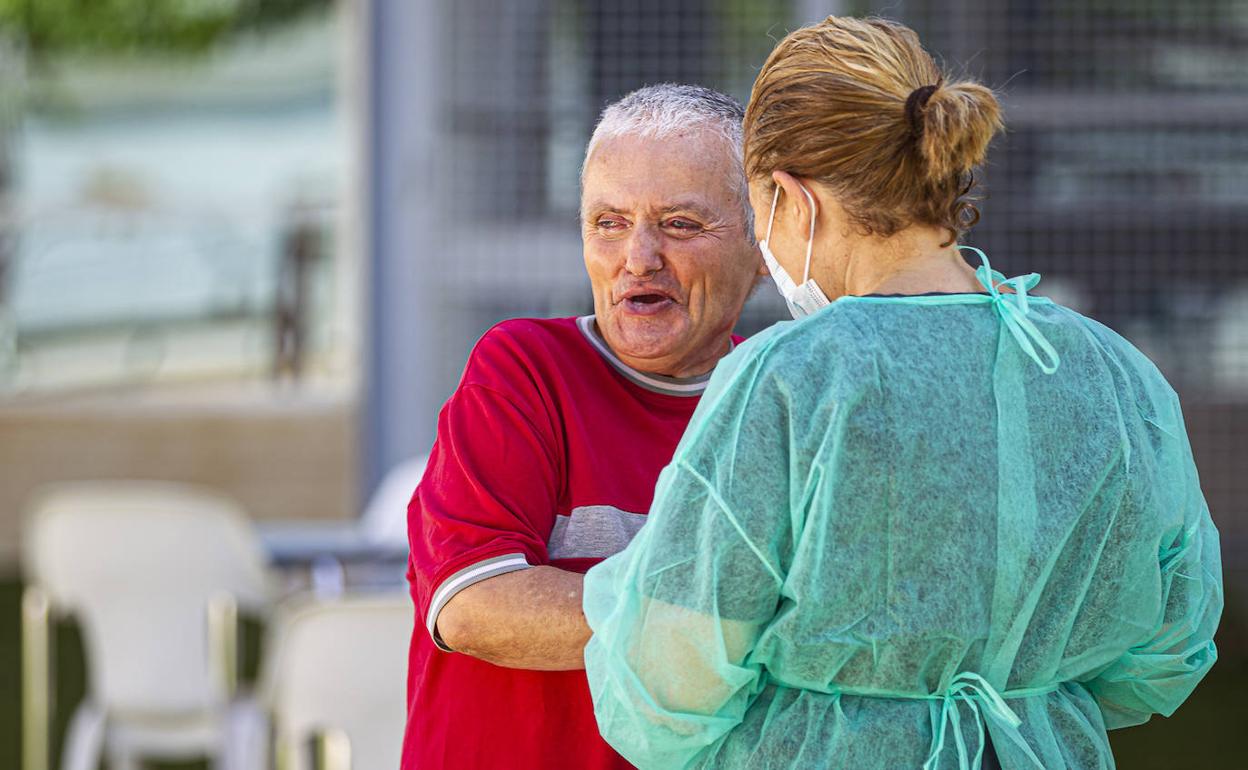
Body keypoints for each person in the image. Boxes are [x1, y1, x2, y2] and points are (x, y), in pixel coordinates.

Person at [582, 17, 1223, 770]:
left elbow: (668, 686)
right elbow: (1167, 651)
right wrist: (1018, 693)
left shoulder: (789, 379)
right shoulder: (1111, 373)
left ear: (790, 199)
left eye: (761, 219)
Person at [402, 84, 765, 769]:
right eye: (609, 222)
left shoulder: (782, 401)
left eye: (681, 223)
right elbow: (475, 603)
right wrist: (726, 627)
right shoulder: (523, 370)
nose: (639, 257)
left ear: (763, 244)